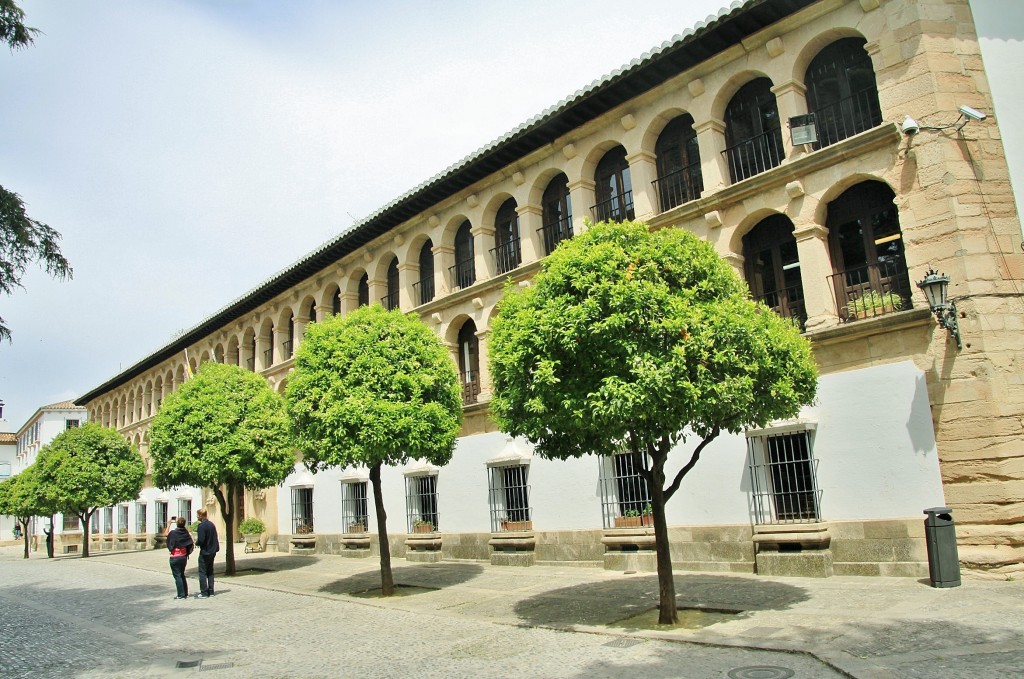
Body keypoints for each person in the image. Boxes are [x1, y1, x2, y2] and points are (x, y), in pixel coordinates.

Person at [166, 516, 194, 600]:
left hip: (175, 557)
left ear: (177, 524)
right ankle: (185, 593)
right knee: (182, 574)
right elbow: (190, 539)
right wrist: (182, 524)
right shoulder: (185, 533)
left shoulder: (173, 533)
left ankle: (181, 594)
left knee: (177, 575)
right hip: (183, 557)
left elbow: (166, 534)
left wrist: (168, 524)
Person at [195, 508, 219, 599]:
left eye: (198, 515)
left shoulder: (201, 526)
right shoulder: (211, 524)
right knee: (210, 571)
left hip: (205, 551)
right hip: (212, 551)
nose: (197, 517)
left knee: (202, 572)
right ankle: (211, 591)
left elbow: (201, 540)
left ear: (201, 515)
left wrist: (196, 543)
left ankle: (204, 592)